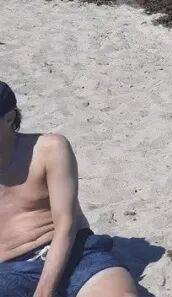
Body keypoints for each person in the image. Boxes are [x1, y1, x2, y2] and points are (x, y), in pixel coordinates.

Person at [0, 82, 139, 297]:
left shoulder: (48, 149)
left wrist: (43, 293)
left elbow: (66, 223)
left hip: (76, 255)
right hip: (11, 271)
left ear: (9, 118)